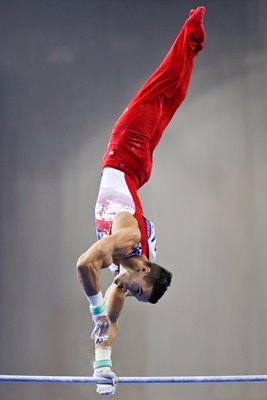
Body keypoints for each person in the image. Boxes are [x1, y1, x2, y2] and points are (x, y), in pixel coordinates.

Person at [76, 6, 206, 395]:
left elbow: (109, 325)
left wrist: (103, 365)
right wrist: (96, 309)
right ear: (144, 266)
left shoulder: (126, 270)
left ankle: (194, 47)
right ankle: (191, 32)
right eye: (135, 287)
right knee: (162, 85)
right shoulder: (128, 240)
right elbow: (84, 265)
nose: (126, 290)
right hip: (126, 150)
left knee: (173, 98)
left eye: (132, 292)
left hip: (137, 168)